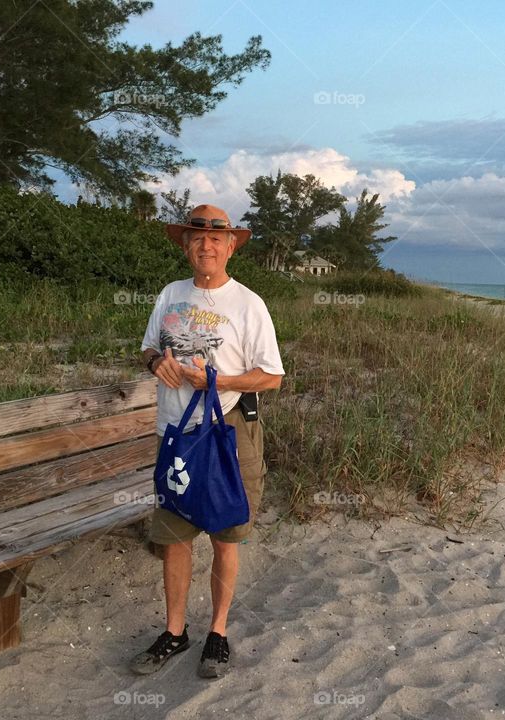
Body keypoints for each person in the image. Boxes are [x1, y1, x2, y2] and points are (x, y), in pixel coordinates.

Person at [129, 203, 285, 679]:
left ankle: (217, 632)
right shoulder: (170, 294)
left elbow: (272, 376)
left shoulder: (248, 303)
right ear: (185, 245)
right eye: (197, 236)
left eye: (217, 237)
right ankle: (175, 632)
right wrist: (156, 362)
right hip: (174, 435)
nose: (207, 244)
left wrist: (220, 381)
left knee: (224, 536)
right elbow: (148, 348)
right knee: (174, 539)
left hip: (227, 432)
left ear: (231, 246)